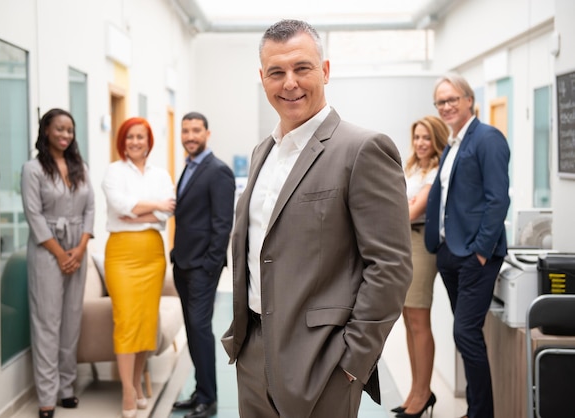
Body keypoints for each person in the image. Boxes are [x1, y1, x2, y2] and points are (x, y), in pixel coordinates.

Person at [221, 19, 413, 418]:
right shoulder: (263, 152)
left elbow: (391, 267)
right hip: (253, 350)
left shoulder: (362, 149)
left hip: (323, 361)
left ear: (324, 70)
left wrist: (352, 363)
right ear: (263, 78)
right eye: (276, 72)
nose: (289, 82)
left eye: (302, 68)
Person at [424, 73, 510, 418]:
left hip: (475, 256)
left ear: (468, 100)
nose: (446, 107)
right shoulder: (453, 142)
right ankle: (475, 408)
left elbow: (497, 199)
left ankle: (481, 414)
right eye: (440, 102)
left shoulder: (488, 138)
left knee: (466, 333)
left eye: (451, 100)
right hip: (450, 253)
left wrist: (480, 250)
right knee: (465, 335)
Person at [20, 108, 95, 418]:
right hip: (46, 251)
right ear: (46, 131)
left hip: (78, 249)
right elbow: (34, 215)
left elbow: (90, 209)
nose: (65, 135)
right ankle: (47, 396)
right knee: (47, 324)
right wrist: (60, 253)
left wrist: (78, 249)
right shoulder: (33, 169)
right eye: (59, 129)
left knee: (71, 321)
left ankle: (66, 388)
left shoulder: (80, 167)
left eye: (70, 130)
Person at [101, 117, 176, 418]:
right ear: (122, 140)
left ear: (148, 141)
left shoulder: (160, 174)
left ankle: (135, 380)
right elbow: (120, 207)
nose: (135, 142)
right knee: (126, 320)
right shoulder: (113, 172)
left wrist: (144, 211)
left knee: (146, 321)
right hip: (121, 254)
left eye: (140, 137)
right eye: (130, 137)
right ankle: (128, 392)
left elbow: (167, 211)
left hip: (152, 255)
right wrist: (153, 207)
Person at [170, 112, 235, 418]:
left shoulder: (217, 170)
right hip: (183, 264)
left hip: (201, 268)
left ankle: (208, 399)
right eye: (185, 131)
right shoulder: (188, 167)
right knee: (195, 332)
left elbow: (223, 225)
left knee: (200, 330)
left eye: (196, 130)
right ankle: (200, 389)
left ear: (207, 133)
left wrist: (210, 265)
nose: (190, 136)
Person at [392, 116, 448, 418]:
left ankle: (424, 394)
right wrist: (403, 205)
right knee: (407, 318)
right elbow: (398, 205)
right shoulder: (413, 167)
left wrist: (404, 206)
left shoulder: (437, 171)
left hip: (420, 246)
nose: (420, 143)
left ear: (437, 139)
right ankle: (415, 391)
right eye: (417, 137)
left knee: (418, 319)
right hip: (403, 243)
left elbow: (412, 210)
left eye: (426, 137)